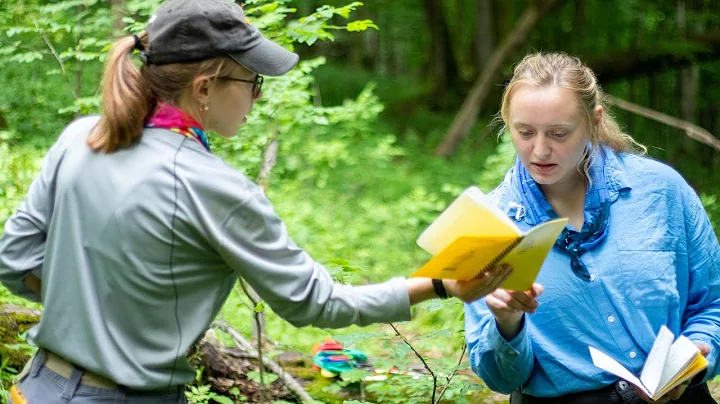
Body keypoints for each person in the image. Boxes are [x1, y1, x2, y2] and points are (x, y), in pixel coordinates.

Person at [0, 0, 512, 402]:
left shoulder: (81, 137)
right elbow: (318, 302)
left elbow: (13, 260)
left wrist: (92, 307)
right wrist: (441, 284)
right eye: (253, 82)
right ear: (205, 88)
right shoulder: (215, 187)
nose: (257, 97)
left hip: (39, 386)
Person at [464, 52, 720, 404]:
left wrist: (697, 350)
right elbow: (501, 378)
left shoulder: (662, 191)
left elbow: (712, 303)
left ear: (593, 121)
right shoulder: (488, 228)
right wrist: (507, 324)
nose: (540, 150)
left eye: (559, 133)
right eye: (524, 132)